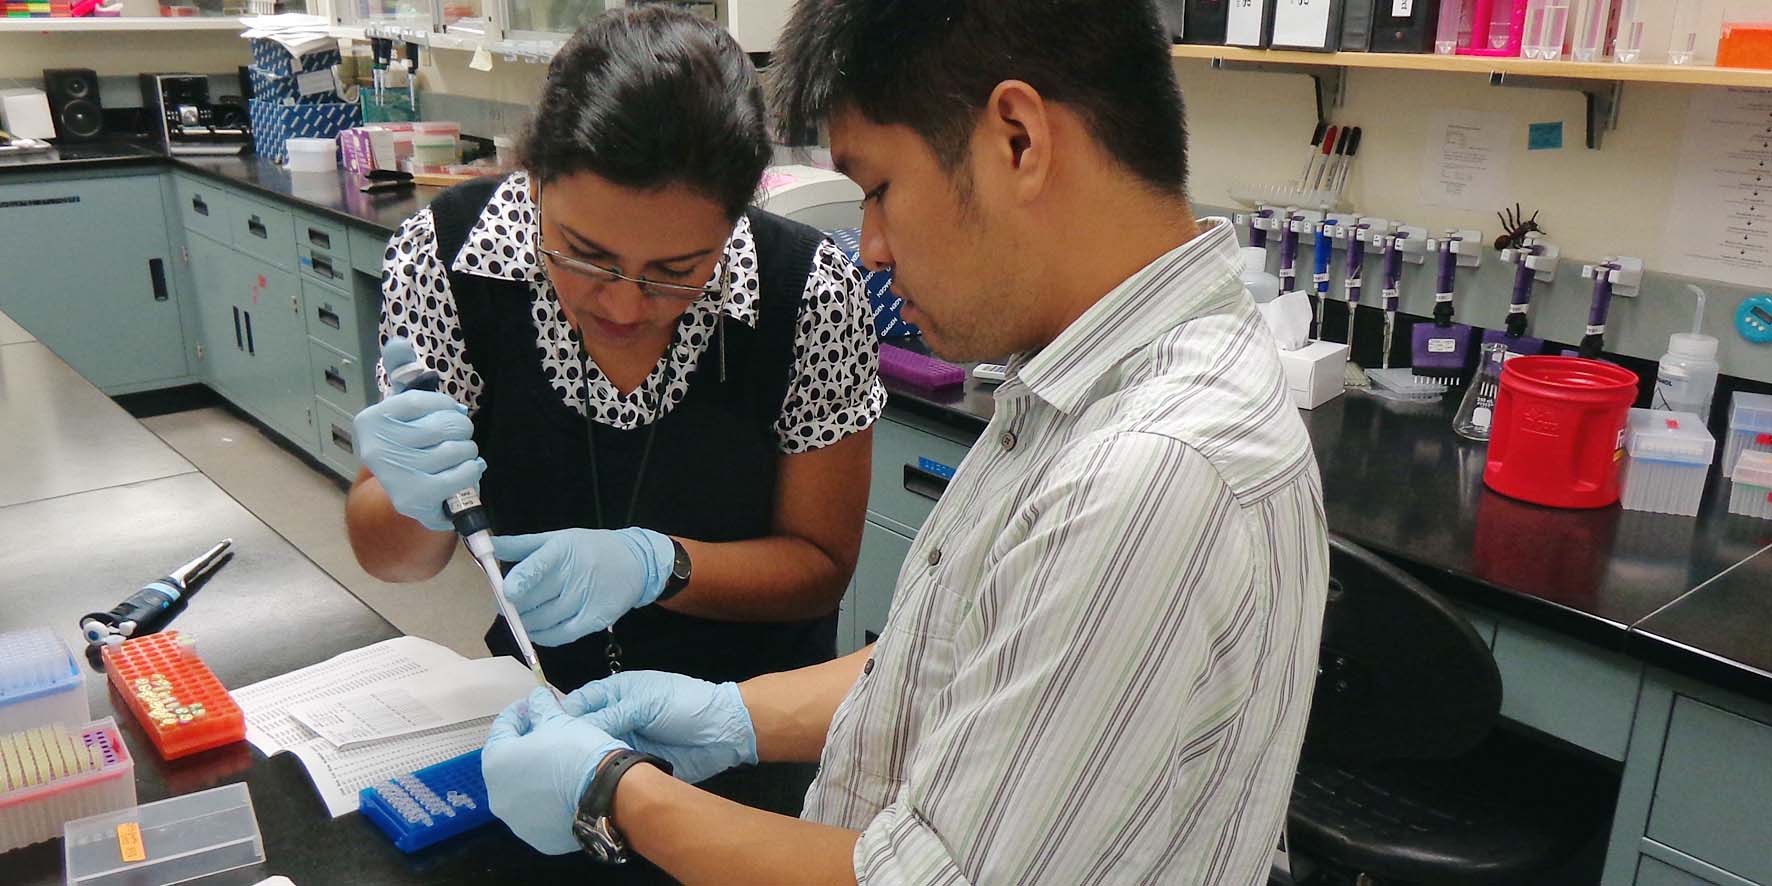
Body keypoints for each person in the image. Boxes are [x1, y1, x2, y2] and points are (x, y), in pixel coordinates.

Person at [481, 1, 1331, 883]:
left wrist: (617, 794)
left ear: (1017, 141)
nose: (872, 249)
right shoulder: (1089, 388)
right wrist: (732, 713)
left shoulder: (1151, 471)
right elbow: (969, 664)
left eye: (879, 190)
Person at [345, 7, 883, 816]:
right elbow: (394, 559)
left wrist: (657, 563)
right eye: (586, 256)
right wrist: (413, 499)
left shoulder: (808, 292)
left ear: (735, 219)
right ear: (534, 178)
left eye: (676, 269)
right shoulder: (446, 260)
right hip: (535, 721)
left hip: (747, 729)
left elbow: (819, 567)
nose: (626, 306)